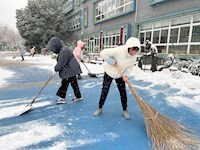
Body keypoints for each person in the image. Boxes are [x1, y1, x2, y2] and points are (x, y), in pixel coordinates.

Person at [93, 37, 141, 120]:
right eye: (131, 51)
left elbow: (130, 67)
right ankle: (99, 108)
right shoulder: (119, 50)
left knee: (123, 92)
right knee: (105, 90)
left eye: (135, 52)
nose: (132, 54)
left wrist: (126, 75)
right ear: (129, 47)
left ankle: (125, 110)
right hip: (109, 72)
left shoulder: (134, 56)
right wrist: (110, 60)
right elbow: (103, 53)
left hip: (120, 75)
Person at [46, 37, 83, 104]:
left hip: (70, 69)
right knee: (73, 83)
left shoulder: (64, 50)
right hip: (71, 68)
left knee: (65, 83)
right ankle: (78, 96)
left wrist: (56, 69)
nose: (53, 51)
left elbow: (62, 61)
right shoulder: (63, 49)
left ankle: (63, 98)